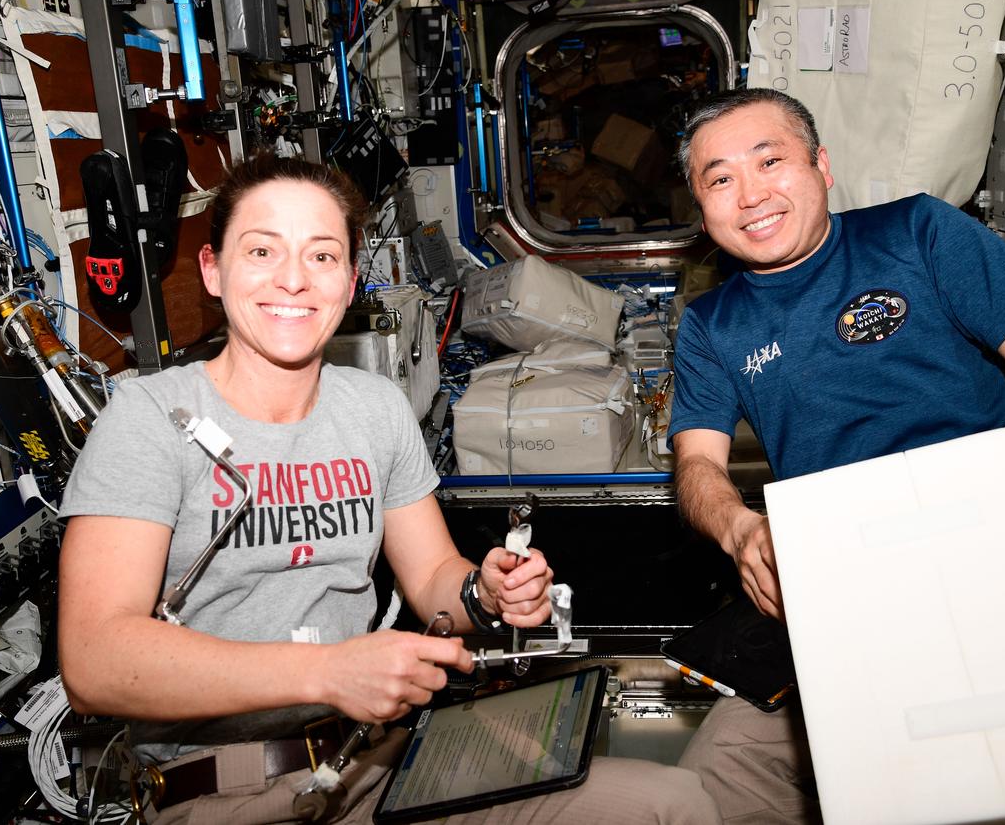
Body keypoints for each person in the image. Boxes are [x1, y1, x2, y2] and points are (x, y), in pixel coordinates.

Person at [57, 155, 717, 825]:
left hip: (377, 763)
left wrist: (484, 592)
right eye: (262, 250)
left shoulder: (373, 406)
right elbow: (95, 658)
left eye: (321, 256)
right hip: (226, 793)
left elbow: (432, 574)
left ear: (348, 283)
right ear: (213, 269)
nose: (292, 278)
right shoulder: (149, 418)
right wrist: (327, 672)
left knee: (670, 804)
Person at [667, 89, 1005, 823]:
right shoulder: (712, 325)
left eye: (770, 160)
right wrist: (739, 529)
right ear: (702, 205)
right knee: (723, 776)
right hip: (849, 579)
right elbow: (697, 468)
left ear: (822, 165)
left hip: (997, 539)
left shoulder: (918, 230)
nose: (749, 194)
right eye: (719, 179)